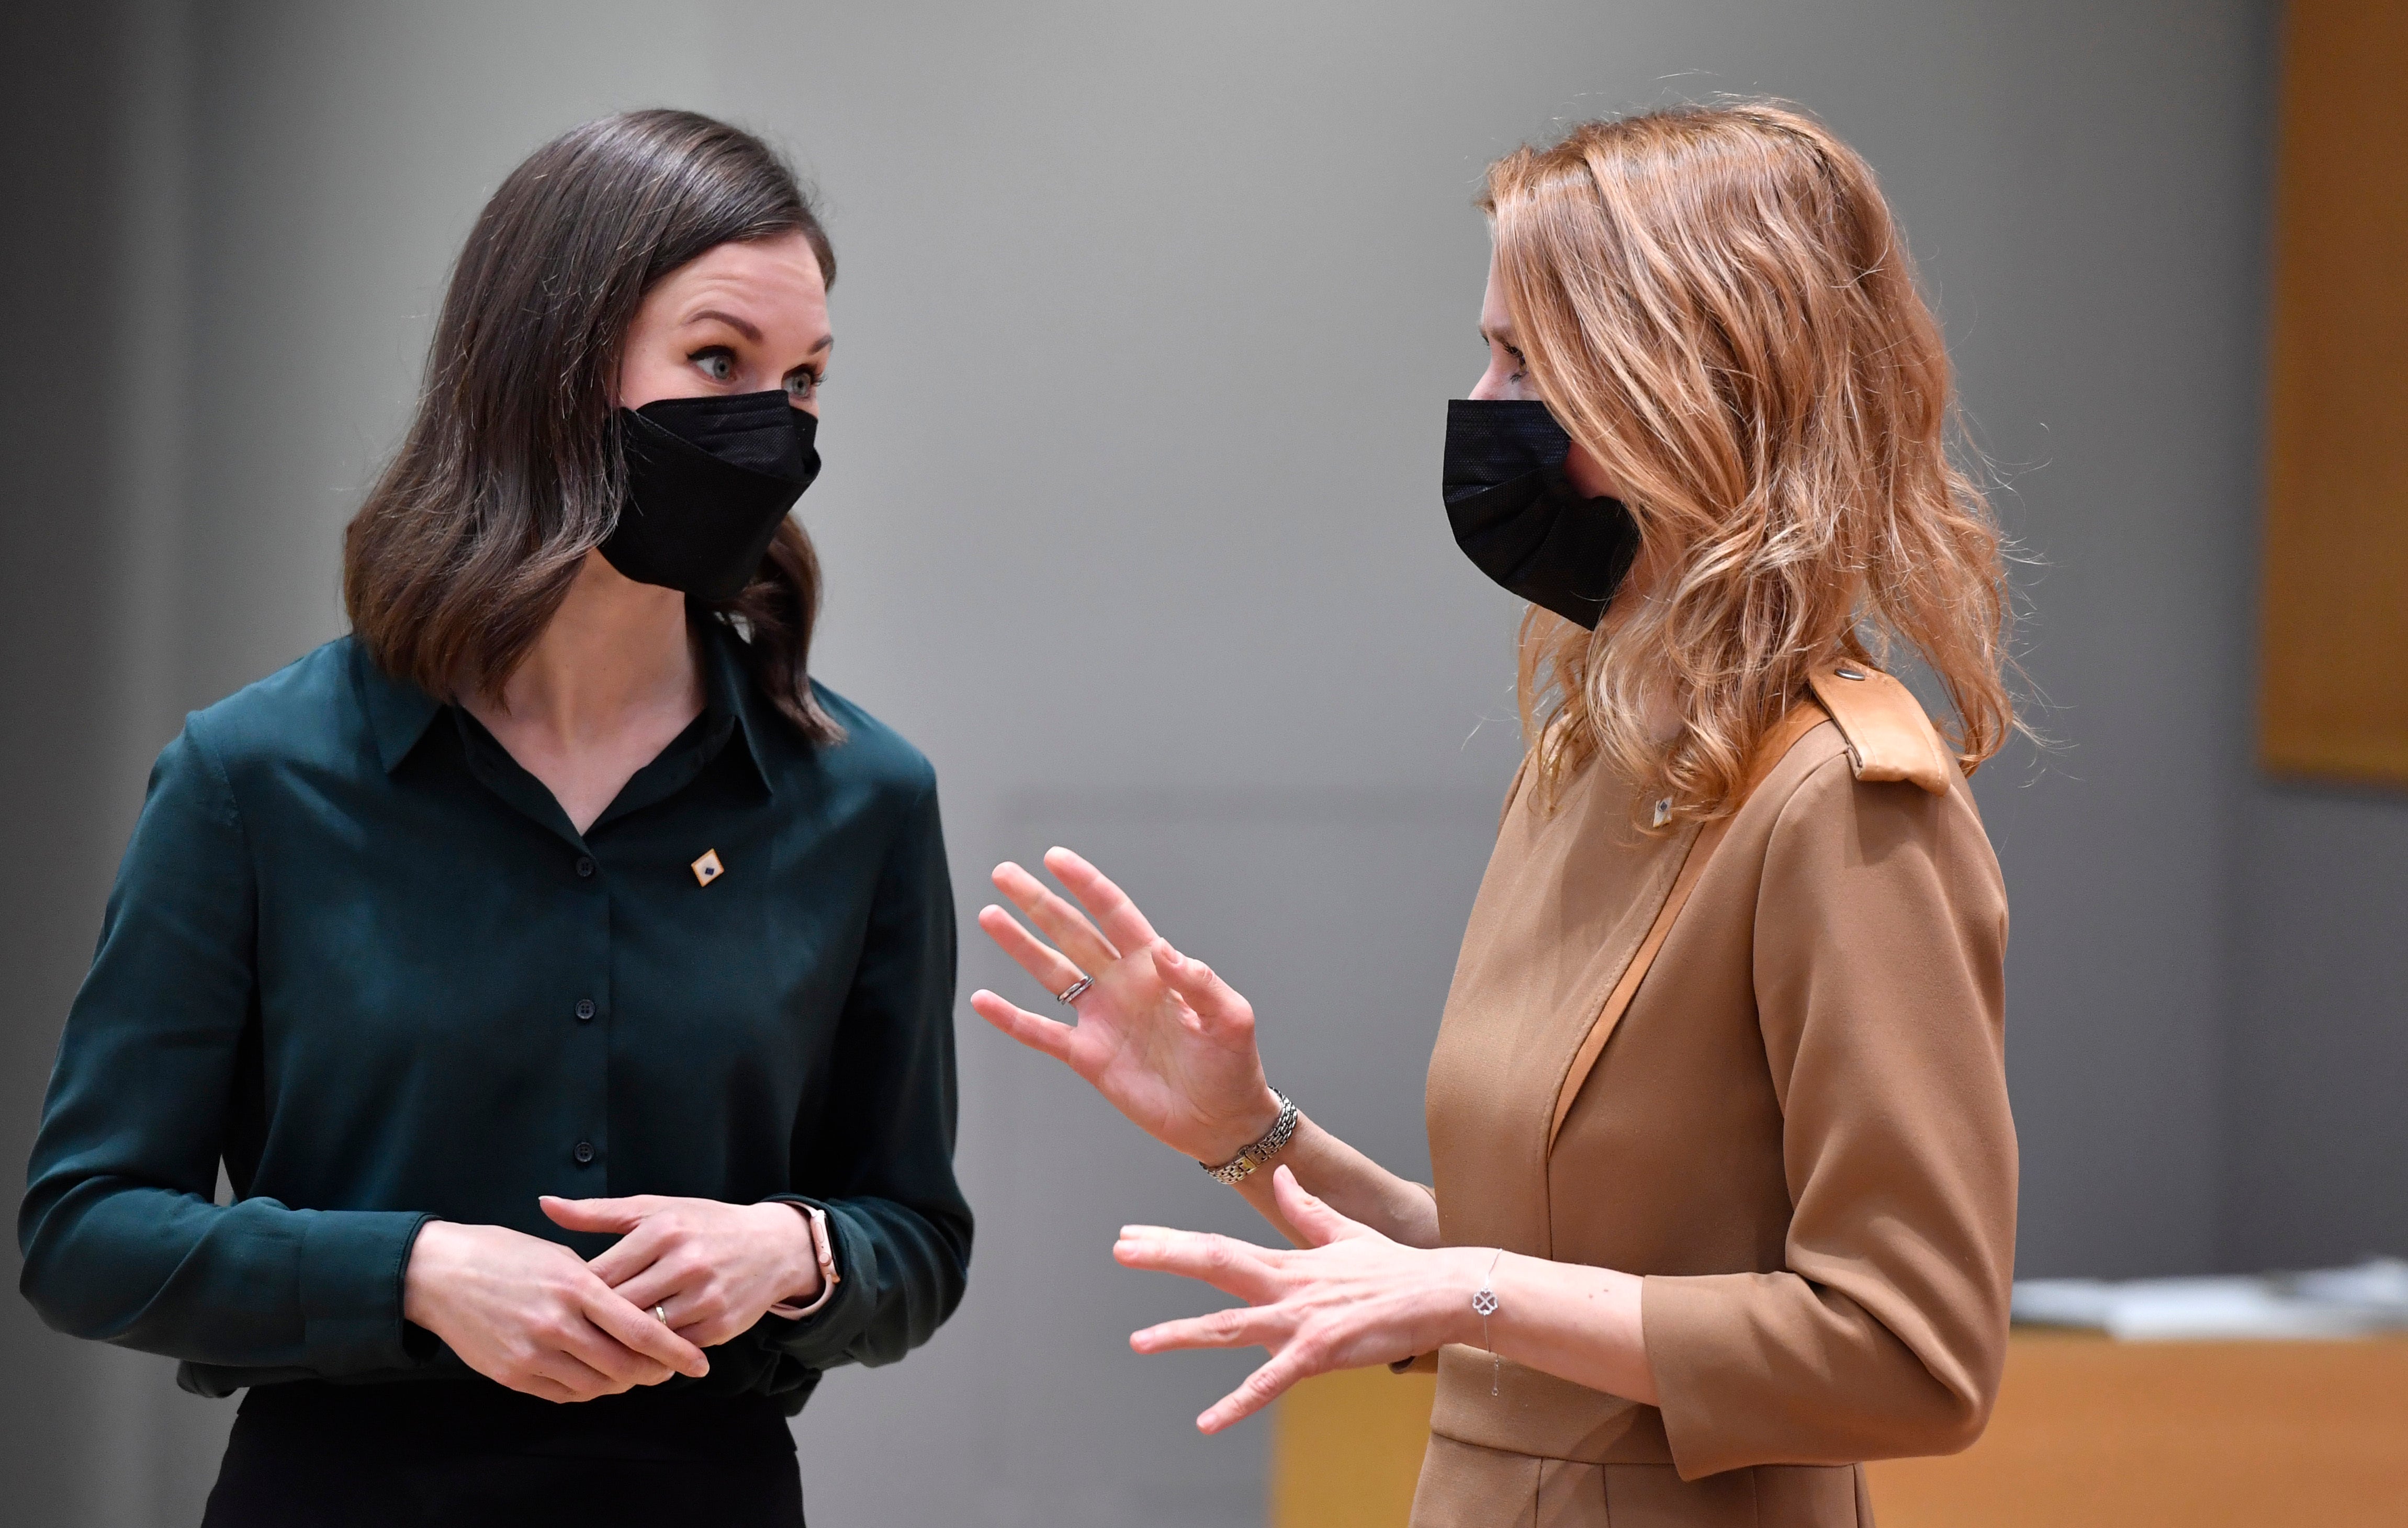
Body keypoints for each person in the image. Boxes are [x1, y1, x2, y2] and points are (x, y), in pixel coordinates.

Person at [972, 102, 2016, 1527]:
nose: (1480, 402)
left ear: (1677, 386)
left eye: (1523, 361)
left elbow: (1913, 1353)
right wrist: (1251, 1132)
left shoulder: (1840, 800)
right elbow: (1499, 1279)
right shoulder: (1592, 754)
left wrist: (1471, 1286)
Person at [18, 109, 969, 1527]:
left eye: (806, 378)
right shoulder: (253, 774)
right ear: (552, 370)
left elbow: (916, 1240)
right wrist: (414, 1271)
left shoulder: (864, 800)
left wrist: (795, 1248)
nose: (774, 426)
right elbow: (85, 1234)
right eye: (718, 360)